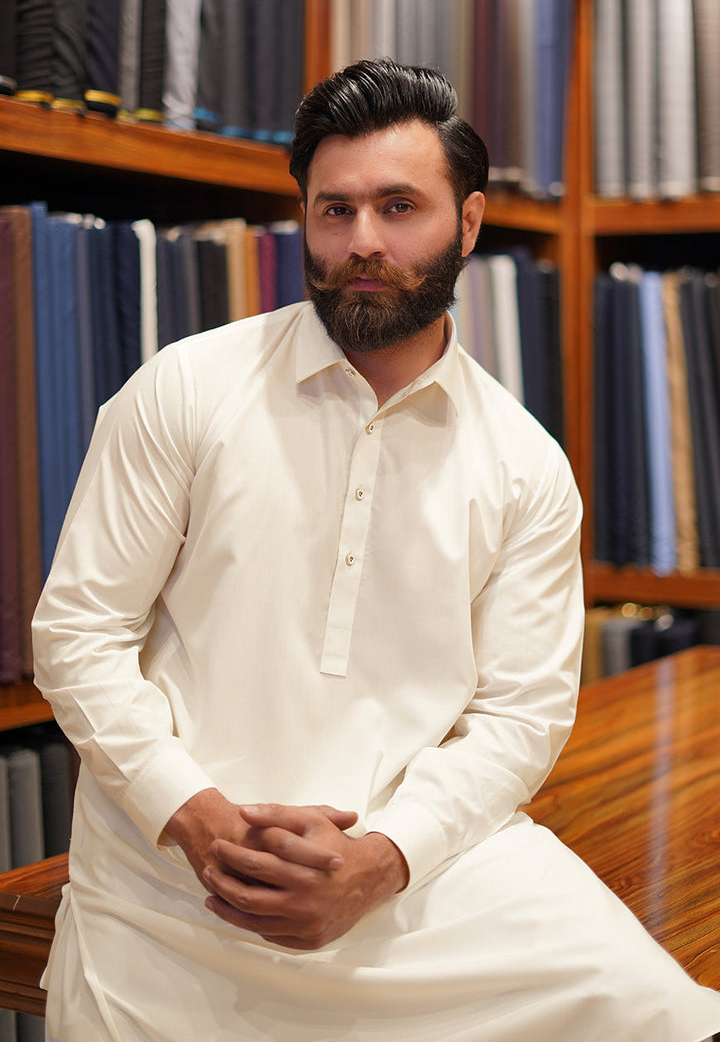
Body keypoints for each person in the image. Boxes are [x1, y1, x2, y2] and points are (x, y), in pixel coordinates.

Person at [33, 59, 720, 1042]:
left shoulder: (523, 464)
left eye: (399, 207)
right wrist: (193, 814)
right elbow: (79, 635)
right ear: (304, 219)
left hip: (421, 888)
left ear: (469, 223)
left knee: (662, 1015)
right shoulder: (184, 390)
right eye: (335, 210)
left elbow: (518, 717)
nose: (362, 241)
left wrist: (385, 857)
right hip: (172, 894)